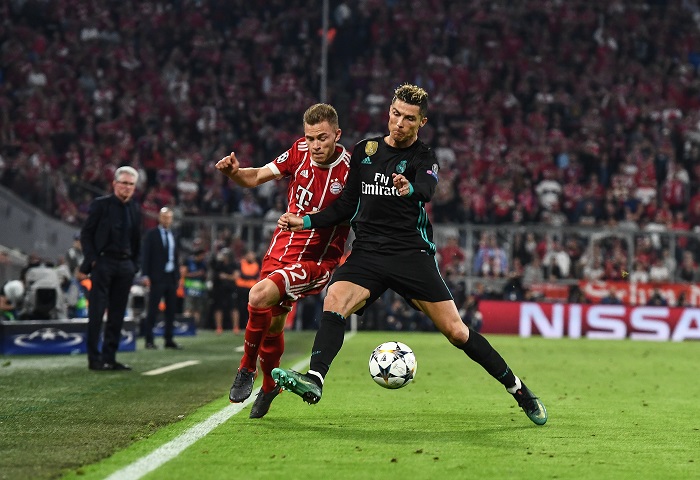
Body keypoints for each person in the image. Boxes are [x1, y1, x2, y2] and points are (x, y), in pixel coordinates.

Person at [273, 84, 547, 425]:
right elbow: (346, 204)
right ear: (389, 112)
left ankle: (518, 389)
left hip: (411, 255)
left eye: (409, 119)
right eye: (396, 114)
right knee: (335, 301)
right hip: (369, 252)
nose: (400, 123)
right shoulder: (364, 151)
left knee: (458, 332)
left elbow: (428, 189)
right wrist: (307, 221)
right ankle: (315, 379)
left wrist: (410, 188)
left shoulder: (423, 156)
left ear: (422, 122)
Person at [215, 103, 351, 419]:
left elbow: (354, 216)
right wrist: (234, 173)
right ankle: (269, 387)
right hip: (279, 251)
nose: (315, 145)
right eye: (310, 137)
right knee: (273, 324)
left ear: (337, 135)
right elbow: (257, 175)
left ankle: (246, 369)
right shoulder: (298, 151)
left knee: (257, 295)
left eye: (322, 138)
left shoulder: (350, 171)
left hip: (316, 261)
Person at [79, 166, 142, 371]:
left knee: (117, 314)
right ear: (114, 184)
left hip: (125, 266)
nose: (127, 187)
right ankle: (94, 359)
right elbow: (86, 234)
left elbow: (136, 240)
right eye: (123, 183)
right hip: (103, 263)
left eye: (131, 184)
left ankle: (110, 357)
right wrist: (93, 260)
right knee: (96, 312)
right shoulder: (100, 205)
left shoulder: (135, 208)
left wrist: (134, 265)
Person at [141, 207, 182, 350]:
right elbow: (146, 255)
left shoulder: (174, 234)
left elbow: (176, 256)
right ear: (159, 218)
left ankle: (169, 339)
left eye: (169, 217)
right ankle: (149, 340)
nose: (166, 220)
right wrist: (145, 275)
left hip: (171, 277)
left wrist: (178, 276)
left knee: (171, 310)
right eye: (164, 217)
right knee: (153, 309)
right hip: (156, 277)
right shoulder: (151, 234)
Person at [210, 247, 238, 335]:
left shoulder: (234, 264)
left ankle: (235, 327)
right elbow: (213, 269)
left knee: (233, 308)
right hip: (219, 289)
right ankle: (219, 327)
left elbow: (235, 276)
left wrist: (226, 276)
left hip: (230, 288)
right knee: (218, 308)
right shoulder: (218, 265)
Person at [233, 249, 261, 334]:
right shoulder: (240, 263)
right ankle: (237, 326)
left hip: (251, 289)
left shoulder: (256, 265)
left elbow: (255, 276)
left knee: (250, 308)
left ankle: (250, 326)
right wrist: (248, 277)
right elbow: (240, 274)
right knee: (238, 307)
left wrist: (246, 277)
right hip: (240, 288)